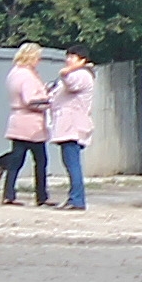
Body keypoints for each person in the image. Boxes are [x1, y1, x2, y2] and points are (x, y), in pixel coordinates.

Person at [1, 43, 52, 208]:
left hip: (16, 120)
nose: (39, 60)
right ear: (31, 57)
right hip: (31, 123)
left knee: (16, 160)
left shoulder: (13, 73)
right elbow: (31, 100)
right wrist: (48, 101)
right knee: (41, 160)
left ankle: (8, 193)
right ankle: (41, 196)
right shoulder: (28, 76)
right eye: (38, 57)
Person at [47, 45, 97, 211]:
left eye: (73, 57)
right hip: (68, 125)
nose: (68, 60)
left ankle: (77, 199)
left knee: (72, 163)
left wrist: (64, 73)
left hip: (73, 125)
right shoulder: (77, 74)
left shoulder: (81, 75)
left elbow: (71, 85)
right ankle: (74, 198)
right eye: (68, 56)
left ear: (82, 60)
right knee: (70, 162)